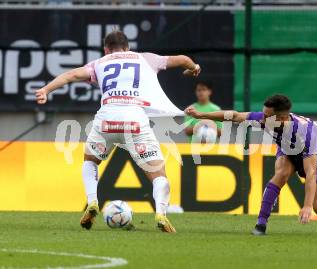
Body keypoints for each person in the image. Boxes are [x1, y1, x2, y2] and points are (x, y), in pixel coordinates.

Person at [35, 30, 201, 232]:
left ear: (106, 49)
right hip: (135, 120)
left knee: (90, 161)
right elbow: (183, 59)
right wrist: (193, 68)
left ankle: (93, 201)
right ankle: (161, 213)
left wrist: (46, 90)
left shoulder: (99, 63)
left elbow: (71, 75)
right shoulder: (146, 59)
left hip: (106, 120)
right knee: (158, 173)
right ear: (128, 46)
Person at [185, 94, 317, 236]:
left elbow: (310, 173)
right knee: (281, 174)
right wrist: (202, 115)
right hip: (287, 151)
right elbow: (236, 116)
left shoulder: (306, 133)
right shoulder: (266, 120)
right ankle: (261, 224)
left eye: (267, 115)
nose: (263, 118)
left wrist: (308, 206)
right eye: (263, 114)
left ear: (282, 118)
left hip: (315, 156)